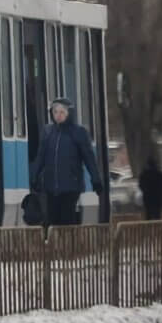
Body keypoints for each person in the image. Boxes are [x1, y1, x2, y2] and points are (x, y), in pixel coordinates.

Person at [29, 97, 104, 226]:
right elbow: (40, 157)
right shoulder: (48, 132)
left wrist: (96, 179)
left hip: (71, 186)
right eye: (55, 112)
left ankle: (68, 245)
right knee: (52, 219)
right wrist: (34, 176)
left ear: (69, 114)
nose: (58, 115)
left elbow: (89, 158)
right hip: (51, 185)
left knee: (66, 218)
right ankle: (55, 245)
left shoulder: (78, 133)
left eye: (62, 112)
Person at [137, 156, 162, 220]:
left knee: (148, 215)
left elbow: (140, 185)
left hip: (147, 198)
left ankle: (148, 228)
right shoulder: (159, 173)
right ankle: (158, 228)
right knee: (157, 215)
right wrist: (161, 190)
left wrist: (145, 190)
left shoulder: (144, 174)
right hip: (158, 198)